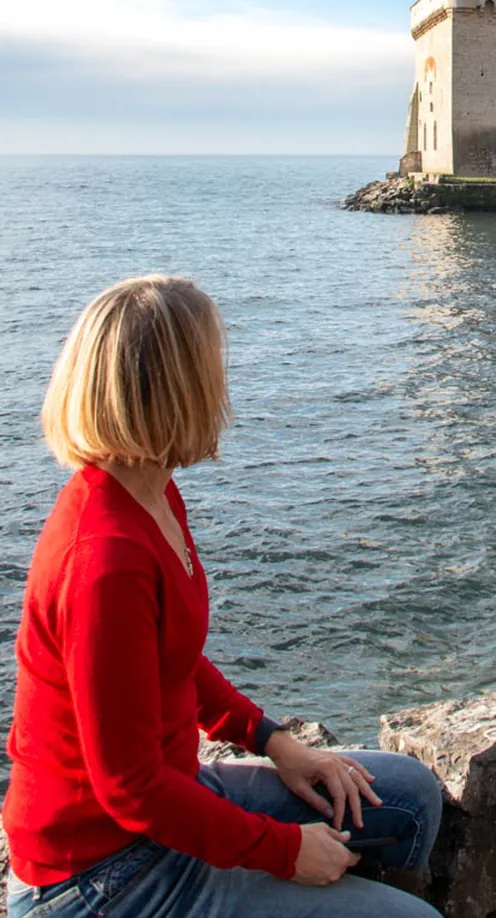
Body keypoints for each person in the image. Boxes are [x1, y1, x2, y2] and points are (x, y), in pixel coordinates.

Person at [3, 276, 443, 918]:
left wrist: (273, 741)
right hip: (99, 876)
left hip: (165, 804)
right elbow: (129, 788)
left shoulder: (152, 492)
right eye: (214, 363)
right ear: (178, 388)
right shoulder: (103, 560)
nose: (225, 382)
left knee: (410, 798)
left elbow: (172, 660)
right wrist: (283, 850)